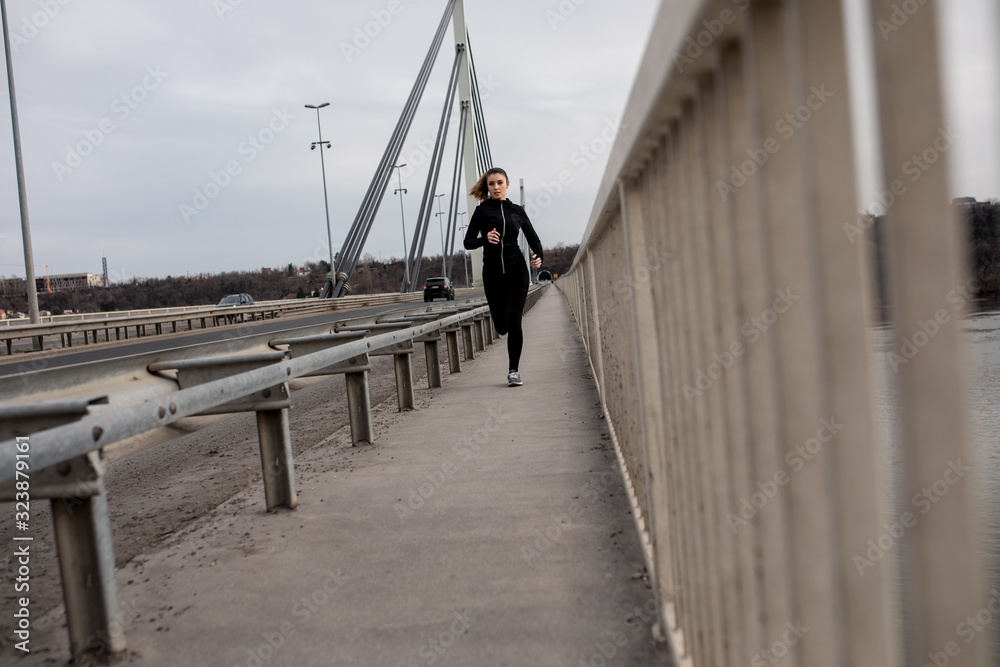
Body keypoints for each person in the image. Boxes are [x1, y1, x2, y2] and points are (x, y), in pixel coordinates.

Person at [464, 167, 543, 386]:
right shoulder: (482, 211)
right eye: (491, 184)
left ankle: (513, 371)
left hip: (517, 271)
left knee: (514, 319)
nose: (496, 187)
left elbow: (533, 239)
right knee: (502, 325)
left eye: (500, 183)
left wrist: (539, 257)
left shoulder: (517, 211)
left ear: (507, 184)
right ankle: (502, 327)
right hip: (492, 275)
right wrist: (484, 238)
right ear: (487, 187)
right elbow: (468, 241)